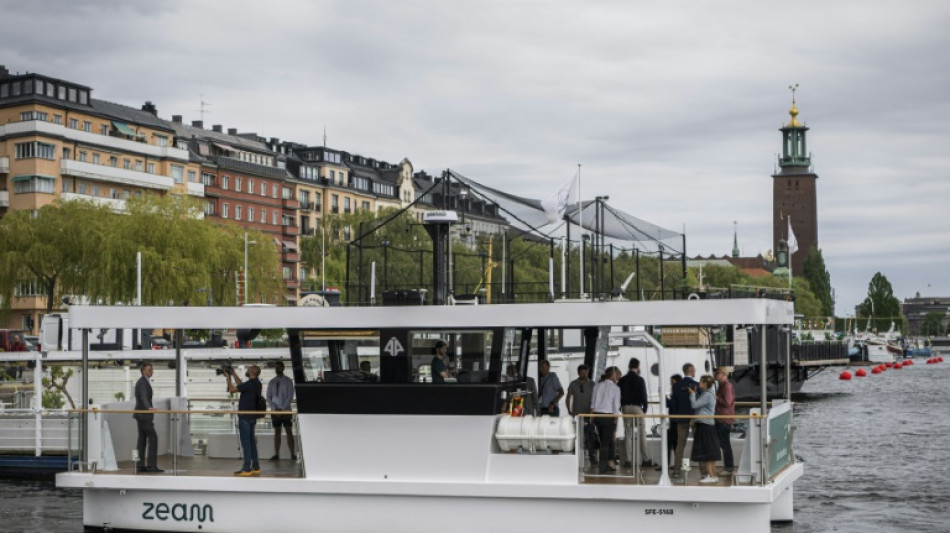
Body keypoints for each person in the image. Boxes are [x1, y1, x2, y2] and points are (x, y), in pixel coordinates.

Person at [227, 365, 263, 476]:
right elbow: (241, 386)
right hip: (252, 416)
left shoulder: (249, 384)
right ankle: (256, 466)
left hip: (245, 417)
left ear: (252, 372)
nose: (247, 370)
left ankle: (246, 468)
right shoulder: (257, 383)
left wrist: (227, 378)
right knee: (251, 442)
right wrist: (233, 374)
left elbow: (233, 390)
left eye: (249, 369)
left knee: (246, 443)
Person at [689, 375, 722, 484]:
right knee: (710, 450)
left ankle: (712, 476)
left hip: (705, 425)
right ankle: (712, 475)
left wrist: (692, 394)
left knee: (707, 451)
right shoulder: (709, 393)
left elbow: (694, 405)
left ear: (705, 383)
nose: (699, 384)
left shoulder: (707, 395)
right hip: (708, 425)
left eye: (700, 382)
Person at [618, 357, 650, 468]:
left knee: (628, 434)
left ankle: (628, 460)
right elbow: (644, 395)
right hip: (637, 408)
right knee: (642, 433)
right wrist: (644, 409)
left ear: (629, 366)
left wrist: (620, 408)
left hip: (626, 408)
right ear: (638, 367)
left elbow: (618, 396)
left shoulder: (622, 380)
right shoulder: (640, 380)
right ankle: (645, 459)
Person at [590, 366, 621, 474]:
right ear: (612, 375)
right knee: (606, 442)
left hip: (597, 416)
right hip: (608, 416)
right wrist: (616, 419)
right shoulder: (615, 388)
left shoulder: (597, 385)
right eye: (617, 373)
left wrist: (591, 416)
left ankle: (605, 463)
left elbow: (593, 403)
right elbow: (616, 406)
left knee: (602, 440)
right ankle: (603, 465)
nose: (619, 375)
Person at [133, 362, 162, 473]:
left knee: (142, 440)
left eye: (152, 369)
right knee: (153, 438)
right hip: (144, 415)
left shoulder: (143, 381)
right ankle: (151, 465)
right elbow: (144, 396)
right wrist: (149, 407)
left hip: (141, 415)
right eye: (149, 369)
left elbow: (143, 396)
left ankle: (139, 465)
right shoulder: (142, 382)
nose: (152, 371)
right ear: (143, 371)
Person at [671, 362, 698, 477]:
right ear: (691, 371)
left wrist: (676, 416)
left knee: (680, 445)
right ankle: (703, 471)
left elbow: (674, 403)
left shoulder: (676, 386)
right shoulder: (697, 385)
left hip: (681, 418)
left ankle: (676, 471)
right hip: (695, 418)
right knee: (698, 443)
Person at [566, 365, 595, 465]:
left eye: (586, 372)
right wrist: (569, 410)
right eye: (583, 372)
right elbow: (568, 397)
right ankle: (576, 456)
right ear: (578, 373)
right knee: (576, 436)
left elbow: (596, 399)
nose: (585, 374)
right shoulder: (573, 384)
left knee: (590, 436)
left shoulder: (592, 384)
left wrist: (593, 413)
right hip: (577, 415)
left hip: (589, 415)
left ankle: (592, 457)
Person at [267, 362, 296, 461]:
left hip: (286, 411)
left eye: (279, 367)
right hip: (275, 412)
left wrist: (282, 409)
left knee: (289, 431)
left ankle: (293, 454)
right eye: (276, 367)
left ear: (283, 368)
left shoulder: (288, 381)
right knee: (277, 432)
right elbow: (268, 397)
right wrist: (274, 409)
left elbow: (290, 396)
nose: (277, 369)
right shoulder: (272, 382)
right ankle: (276, 454)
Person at [714, 368, 736, 475]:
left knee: (725, 444)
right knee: (724, 443)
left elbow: (727, 402)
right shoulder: (723, 386)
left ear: (723, 374)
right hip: (722, 418)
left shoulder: (727, 386)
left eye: (717, 373)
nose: (715, 375)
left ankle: (728, 468)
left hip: (724, 419)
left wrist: (716, 398)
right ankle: (728, 467)